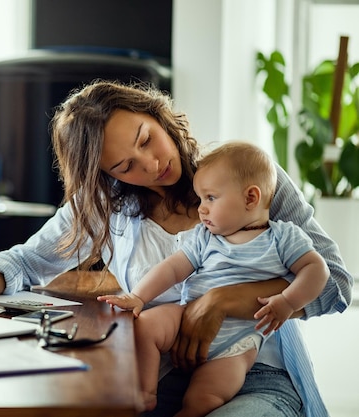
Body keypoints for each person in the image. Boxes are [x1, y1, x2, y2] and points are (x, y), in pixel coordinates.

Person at [0, 80, 353, 417]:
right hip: (159, 377)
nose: (150, 165)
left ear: (158, 116)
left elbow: (335, 286)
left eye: (146, 139)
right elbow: (24, 262)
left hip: (256, 373)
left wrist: (220, 301)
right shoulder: (106, 205)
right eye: (124, 166)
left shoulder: (246, 176)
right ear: (107, 176)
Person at [97, 141, 329, 416]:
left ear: (250, 198)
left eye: (210, 198)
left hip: (239, 343)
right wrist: (138, 297)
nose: (201, 209)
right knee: (146, 326)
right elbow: (172, 269)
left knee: (203, 397)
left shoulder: (282, 238)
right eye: (200, 199)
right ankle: (145, 393)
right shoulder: (205, 238)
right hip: (187, 317)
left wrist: (289, 301)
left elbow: (318, 269)